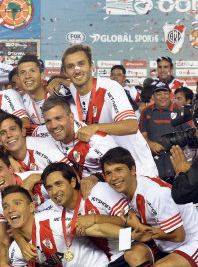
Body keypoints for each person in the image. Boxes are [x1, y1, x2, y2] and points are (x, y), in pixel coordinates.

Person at [101, 146, 198, 267]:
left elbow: (178, 235)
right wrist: (136, 223)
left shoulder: (154, 192)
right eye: (108, 173)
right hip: (175, 251)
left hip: (191, 242)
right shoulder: (133, 191)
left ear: (133, 169)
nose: (113, 177)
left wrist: (149, 234)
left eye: (119, 170)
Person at [30, 163, 123, 267]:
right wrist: (21, 242)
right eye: (49, 187)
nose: (54, 191)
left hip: (110, 264)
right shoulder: (51, 207)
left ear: (73, 182)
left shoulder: (96, 193)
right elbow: (23, 222)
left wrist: (95, 218)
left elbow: (127, 222)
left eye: (59, 184)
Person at [61, 45, 158, 177]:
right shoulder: (73, 88)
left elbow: (131, 126)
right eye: (71, 66)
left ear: (91, 66)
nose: (77, 70)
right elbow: (62, 83)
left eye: (81, 64)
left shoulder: (110, 87)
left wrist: (95, 127)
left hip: (139, 167)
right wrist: (55, 81)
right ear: (65, 72)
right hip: (113, 170)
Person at [140, 81, 189, 182]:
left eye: (165, 93)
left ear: (170, 94)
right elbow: (141, 134)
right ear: (153, 96)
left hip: (176, 163)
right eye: (158, 94)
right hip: (153, 164)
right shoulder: (146, 112)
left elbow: (190, 134)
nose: (162, 97)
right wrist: (151, 144)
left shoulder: (180, 111)